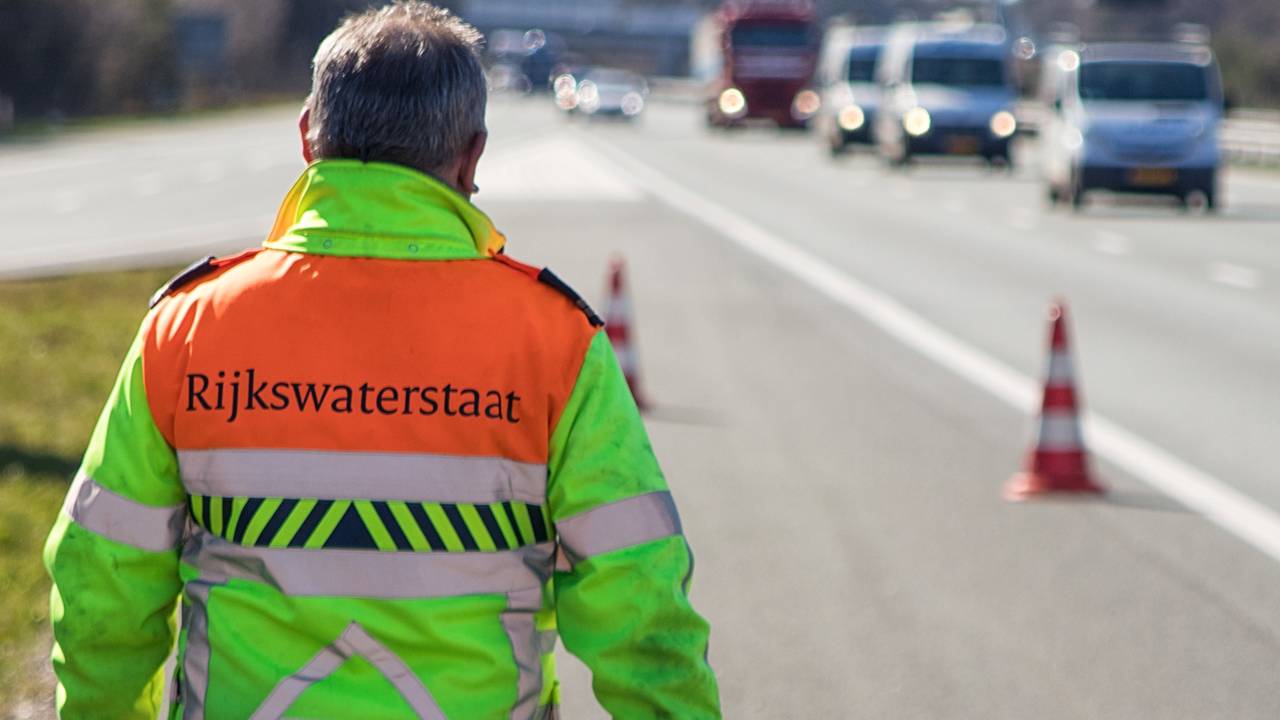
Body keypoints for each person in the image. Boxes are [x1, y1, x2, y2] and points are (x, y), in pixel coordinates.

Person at [43, 3, 721, 718]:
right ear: (471, 155)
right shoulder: (556, 343)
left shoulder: (187, 330)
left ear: (308, 136)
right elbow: (640, 613)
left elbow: (103, 590)